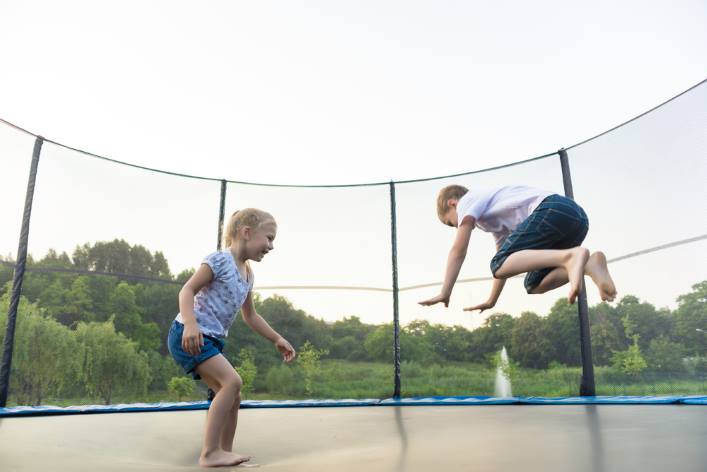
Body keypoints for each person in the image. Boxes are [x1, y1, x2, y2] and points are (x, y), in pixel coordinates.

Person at [168, 208, 296, 467]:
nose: (271, 246)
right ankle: (210, 453)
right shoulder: (219, 260)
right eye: (268, 238)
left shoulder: (248, 275)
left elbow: (251, 316)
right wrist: (191, 324)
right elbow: (187, 289)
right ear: (246, 233)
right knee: (232, 382)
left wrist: (276, 338)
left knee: (233, 394)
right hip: (188, 333)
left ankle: (224, 452)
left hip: (211, 340)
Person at [419, 184, 617, 311]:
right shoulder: (493, 216)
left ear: (452, 203)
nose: (457, 225)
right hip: (576, 218)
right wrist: (491, 301)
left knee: (497, 264)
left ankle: (570, 257)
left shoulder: (467, 202)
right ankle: (588, 265)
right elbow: (504, 266)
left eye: (451, 223)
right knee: (533, 284)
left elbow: (458, 250)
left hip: (551, 209)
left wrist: (446, 291)